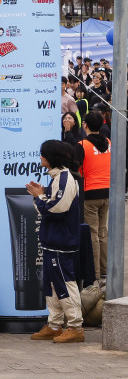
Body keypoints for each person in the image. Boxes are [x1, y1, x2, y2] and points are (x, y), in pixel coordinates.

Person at [28, 140, 86, 344]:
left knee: (64, 283)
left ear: (51, 158)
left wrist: (38, 197)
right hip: (53, 240)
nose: (40, 157)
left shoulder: (64, 178)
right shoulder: (57, 178)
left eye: (42, 154)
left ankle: (75, 327)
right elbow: (52, 204)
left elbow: (56, 209)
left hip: (61, 241)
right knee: (52, 284)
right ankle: (54, 324)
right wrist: (42, 194)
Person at [78, 112, 110, 279]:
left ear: (85, 125)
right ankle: (105, 270)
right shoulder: (109, 143)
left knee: (92, 233)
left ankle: (95, 274)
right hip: (107, 191)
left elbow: (76, 169)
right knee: (102, 232)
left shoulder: (82, 145)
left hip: (89, 193)